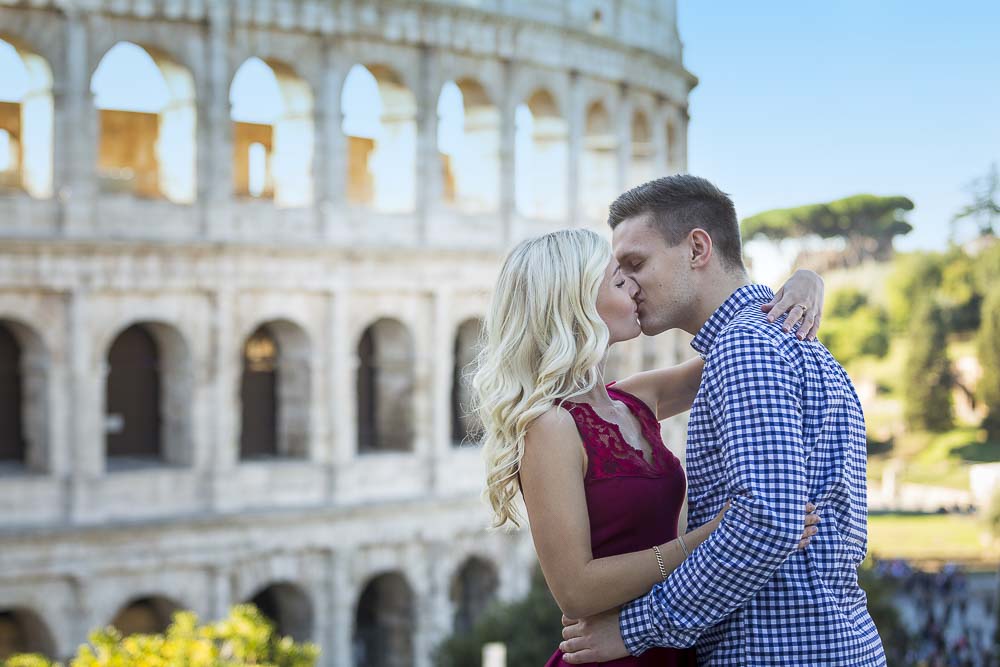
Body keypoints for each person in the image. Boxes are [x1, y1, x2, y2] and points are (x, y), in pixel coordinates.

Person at [557, 175, 886, 666]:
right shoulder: (788, 339)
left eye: (636, 263)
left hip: (775, 651)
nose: (627, 284)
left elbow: (767, 523)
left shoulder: (745, 347)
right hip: (829, 640)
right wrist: (804, 278)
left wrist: (633, 630)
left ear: (696, 247)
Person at [472, 226, 824, 666]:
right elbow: (575, 590)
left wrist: (807, 281)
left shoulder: (635, 398)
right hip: (613, 652)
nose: (635, 288)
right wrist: (718, 536)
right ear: (577, 306)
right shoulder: (549, 425)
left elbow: (740, 342)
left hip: (669, 643)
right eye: (619, 281)